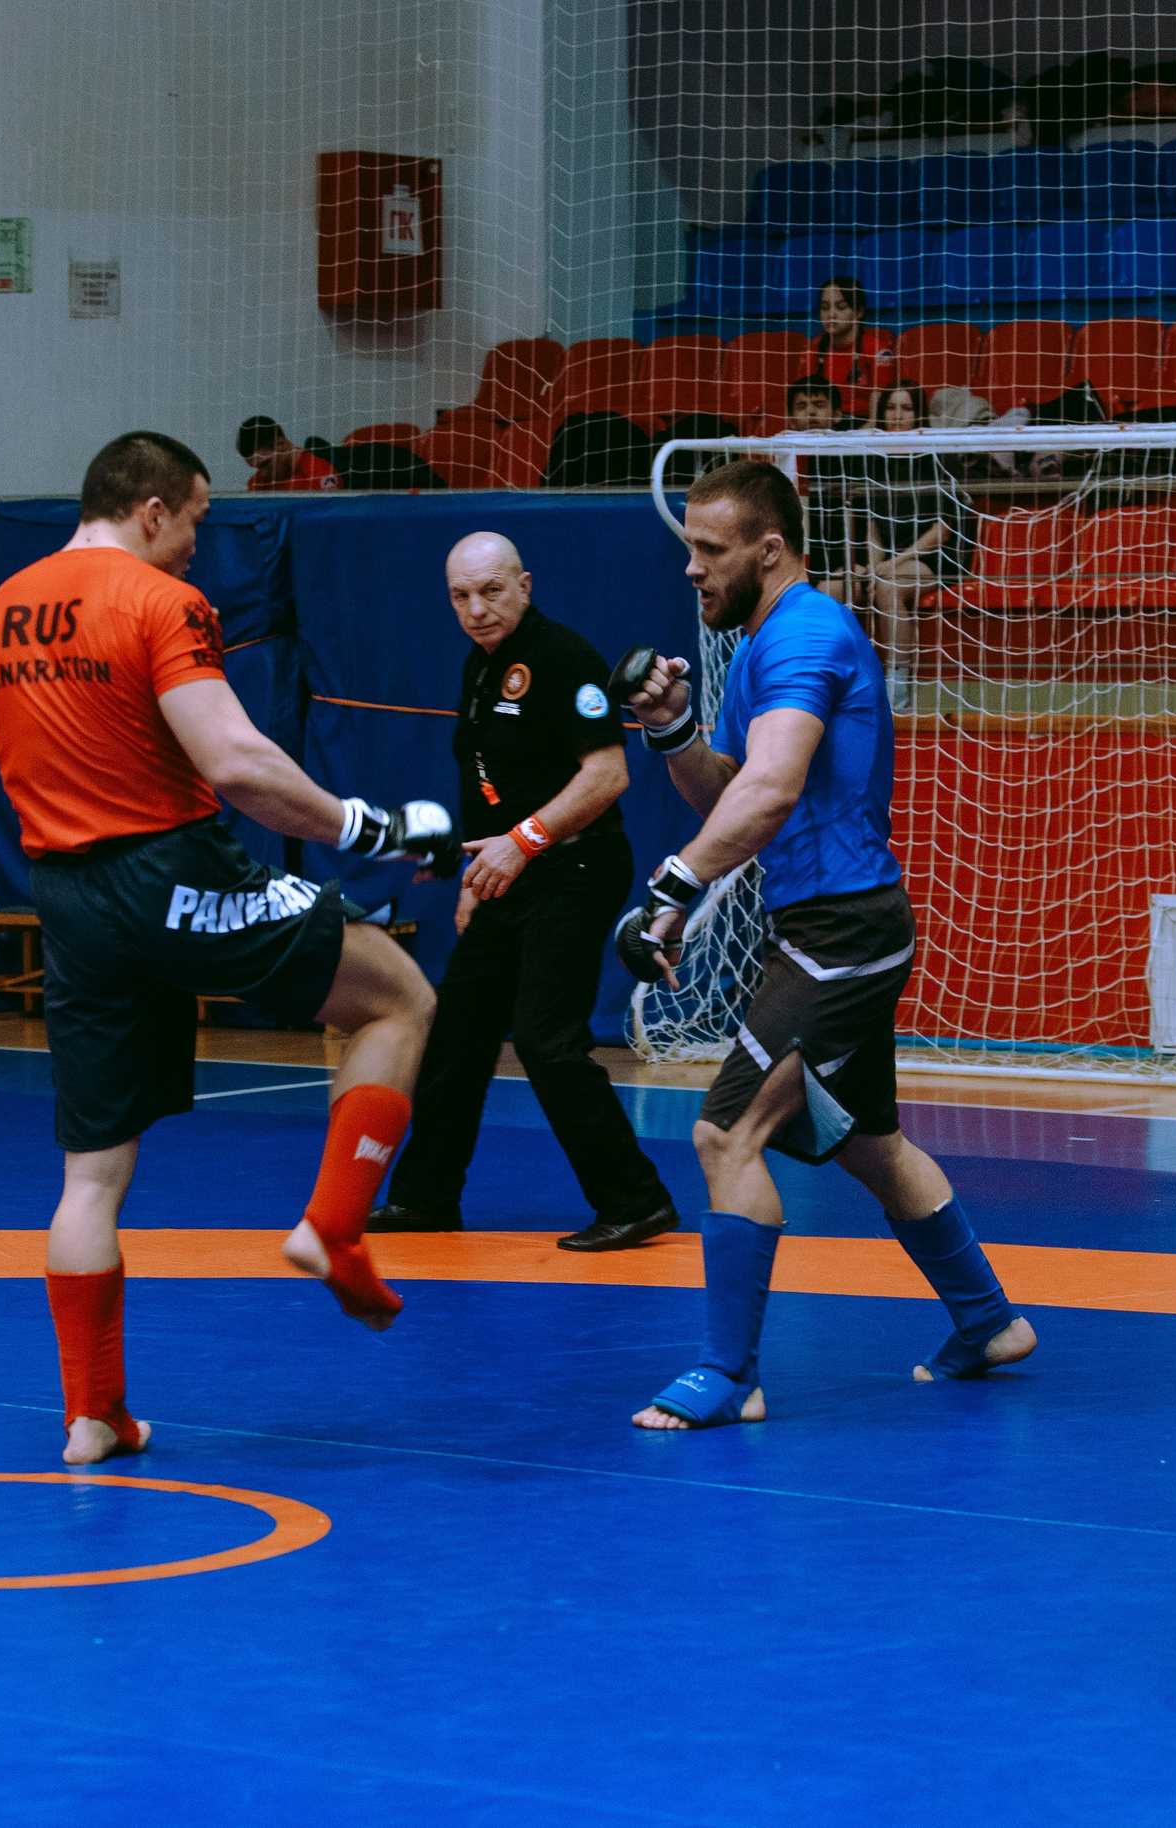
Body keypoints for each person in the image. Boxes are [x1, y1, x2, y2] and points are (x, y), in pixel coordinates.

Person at [0, 430, 455, 1468]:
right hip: (168, 869)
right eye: (194, 520)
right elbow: (235, 762)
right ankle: (335, 1223)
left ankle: (92, 1415)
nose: (198, 544)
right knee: (398, 996)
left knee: (89, 1179)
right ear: (150, 510)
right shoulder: (156, 601)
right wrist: (366, 825)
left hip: (66, 895)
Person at [617, 459, 1036, 1430]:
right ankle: (986, 1319)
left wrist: (672, 887)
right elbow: (731, 787)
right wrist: (674, 726)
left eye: (708, 550)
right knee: (871, 1144)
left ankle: (730, 1374)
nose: (690, 569)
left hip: (838, 937)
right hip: (832, 928)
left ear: (768, 549)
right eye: (687, 548)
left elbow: (767, 795)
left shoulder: (804, 632)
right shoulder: (762, 641)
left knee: (727, 1133)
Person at [366, 533, 683, 1251]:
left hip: (575, 868)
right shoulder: (482, 668)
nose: (476, 609)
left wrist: (522, 842)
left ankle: (635, 1200)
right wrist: (476, 878)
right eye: (460, 596)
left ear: (526, 584)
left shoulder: (563, 658)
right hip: (512, 875)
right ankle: (424, 1200)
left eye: (491, 591)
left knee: (547, 1040)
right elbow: (485, 785)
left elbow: (608, 777)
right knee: (457, 1037)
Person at [855, 380, 973, 710]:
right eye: (891, 408)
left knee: (888, 586)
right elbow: (872, 528)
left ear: (919, 415)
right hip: (892, 560)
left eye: (906, 408)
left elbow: (942, 532)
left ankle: (898, 691)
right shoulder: (873, 459)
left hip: (938, 557)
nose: (897, 415)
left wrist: (885, 567)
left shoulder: (937, 456)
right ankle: (849, 685)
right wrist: (874, 563)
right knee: (837, 587)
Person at [784, 375, 857, 606]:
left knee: (827, 592)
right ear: (791, 419)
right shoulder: (781, 461)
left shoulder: (855, 460)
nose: (811, 413)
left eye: (819, 405)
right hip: (795, 565)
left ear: (837, 415)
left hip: (844, 566)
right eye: (802, 406)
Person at [813, 275, 896, 401]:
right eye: (825, 308)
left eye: (841, 307)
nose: (831, 314)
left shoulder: (877, 349)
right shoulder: (814, 350)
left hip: (864, 419)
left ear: (859, 312)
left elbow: (880, 407)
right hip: (826, 419)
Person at [236, 414, 342, 492]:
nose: (262, 473)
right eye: (257, 467)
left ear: (281, 444)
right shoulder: (257, 483)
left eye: (265, 464)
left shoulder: (321, 474)